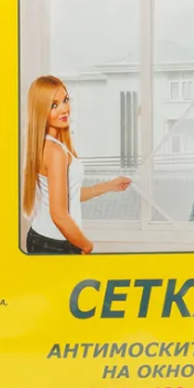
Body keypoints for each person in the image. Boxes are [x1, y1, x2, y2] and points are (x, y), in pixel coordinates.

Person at [23, 75, 132, 255]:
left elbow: (68, 196)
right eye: (54, 105)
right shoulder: (55, 152)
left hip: (45, 239)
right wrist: (86, 245)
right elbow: (59, 215)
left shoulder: (49, 146)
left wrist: (109, 186)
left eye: (65, 100)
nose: (64, 109)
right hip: (55, 243)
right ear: (41, 110)